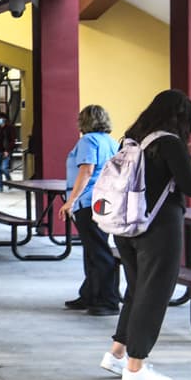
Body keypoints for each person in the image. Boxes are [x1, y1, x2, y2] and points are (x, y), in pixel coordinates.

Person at [100, 90, 191, 380]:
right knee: (155, 293)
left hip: (125, 225)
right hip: (159, 229)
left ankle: (117, 353)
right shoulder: (170, 143)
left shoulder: (132, 140)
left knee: (137, 289)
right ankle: (136, 367)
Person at [59, 105, 121, 317]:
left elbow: (87, 170)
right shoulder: (111, 142)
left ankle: (108, 300)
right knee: (94, 249)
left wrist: (71, 200)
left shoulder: (88, 141)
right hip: (105, 200)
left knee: (98, 251)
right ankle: (90, 294)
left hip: (88, 201)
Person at [0, 107, 15, 191]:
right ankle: (0, 186)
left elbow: (12, 141)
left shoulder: (10, 128)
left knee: (3, 168)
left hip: (6, 151)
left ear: (4, 119)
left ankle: (9, 182)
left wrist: (8, 151)